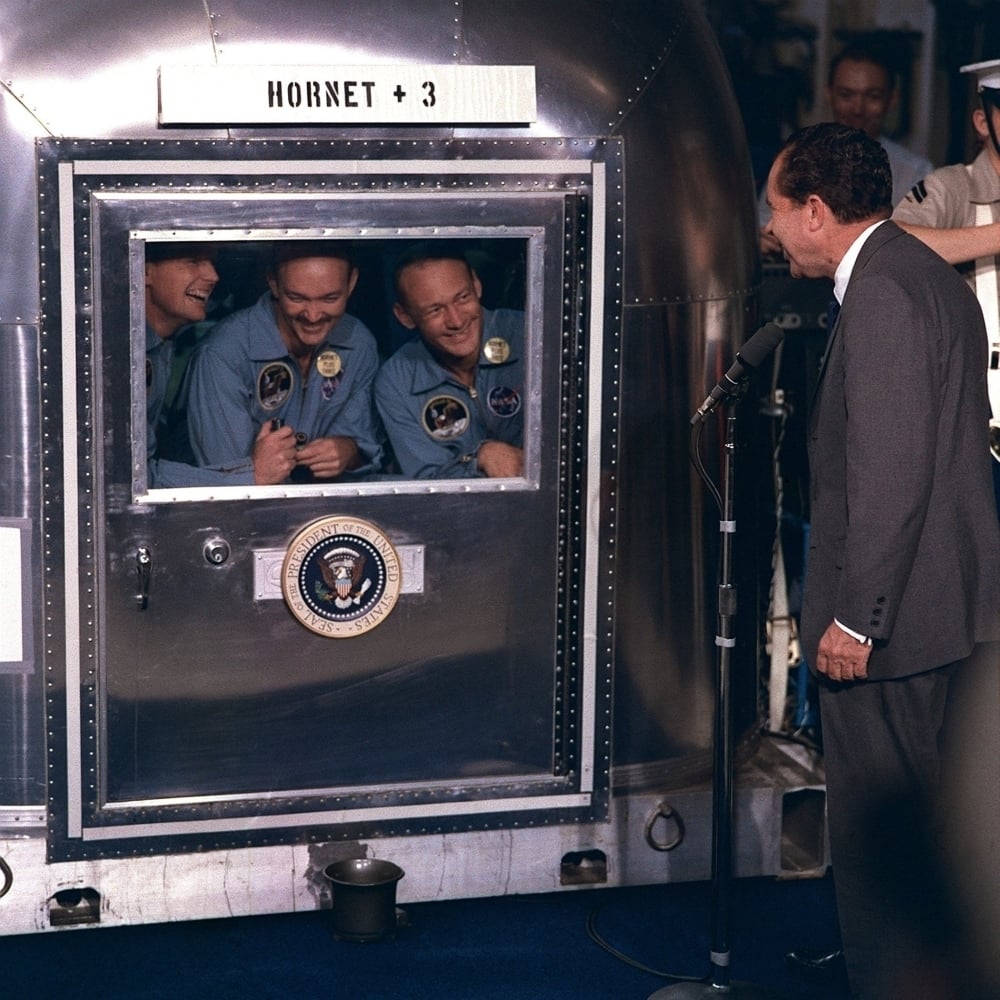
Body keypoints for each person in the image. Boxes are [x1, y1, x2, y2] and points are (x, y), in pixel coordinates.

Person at [763, 121, 1000, 999]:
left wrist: (858, 617)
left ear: (818, 211)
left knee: (880, 840)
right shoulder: (922, 275)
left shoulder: (886, 295)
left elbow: (892, 474)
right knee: (944, 845)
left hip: (896, 623)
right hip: (946, 607)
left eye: (780, 211)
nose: (774, 230)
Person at [184, 241, 382, 485]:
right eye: (297, 298)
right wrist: (254, 470)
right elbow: (223, 481)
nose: (313, 315)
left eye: (330, 298)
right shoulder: (222, 353)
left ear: (351, 283)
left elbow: (366, 448)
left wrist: (350, 451)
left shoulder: (359, 343)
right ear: (274, 283)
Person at [759, 41, 932, 254]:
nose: (858, 109)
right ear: (828, 95)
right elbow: (766, 227)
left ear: (892, 99)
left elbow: (921, 244)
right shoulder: (790, 162)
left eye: (873, 96)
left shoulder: (917, 172)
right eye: (846, 95)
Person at [375, 244, 524, 479]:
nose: (456, 321)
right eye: (435, 310)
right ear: (405, 316)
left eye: (462, 298)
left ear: (476, 285)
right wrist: (479, 458)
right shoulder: (396, 381)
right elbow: (427, 482)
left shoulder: (531, 335)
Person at [143, 242, 246, 488]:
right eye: (193, 262)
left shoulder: (160, 347)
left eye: (211, 262)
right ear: (144, 271)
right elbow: (129, 480)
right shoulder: (116, 351)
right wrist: (250, 477)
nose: (213, 276)